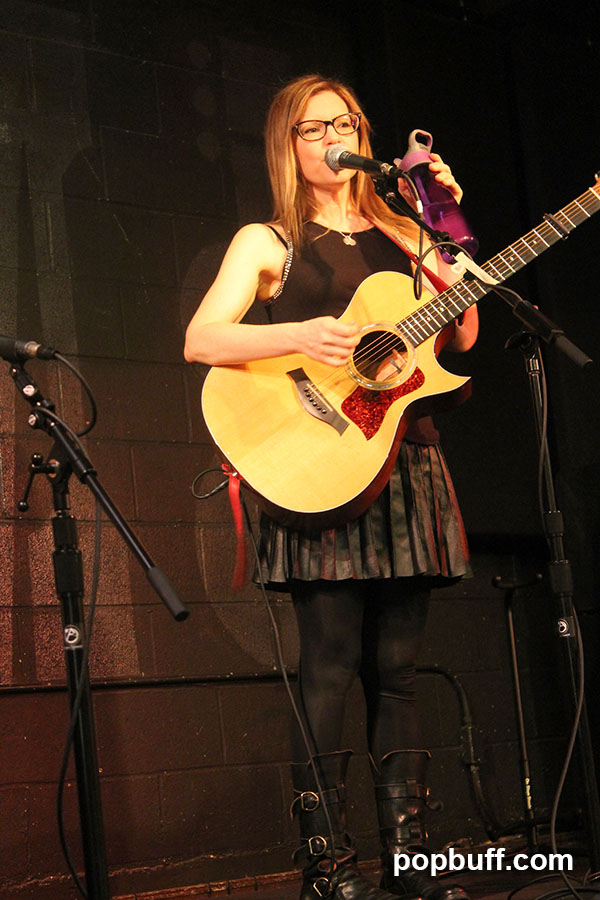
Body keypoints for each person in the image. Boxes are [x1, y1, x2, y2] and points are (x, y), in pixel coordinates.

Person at [184, 74, 478, 900]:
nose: (331, 139)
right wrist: (301, 333)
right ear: (289, 142)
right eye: (314, 128)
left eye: (343, 124)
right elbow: (200, 338)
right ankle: (327, 863)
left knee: (399, 671)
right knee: (328, 665)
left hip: (404, 462)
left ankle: (412, 863)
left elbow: (464, 329)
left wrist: (445, 222)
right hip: (321, 468)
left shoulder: (401, 227)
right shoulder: (269, 239)